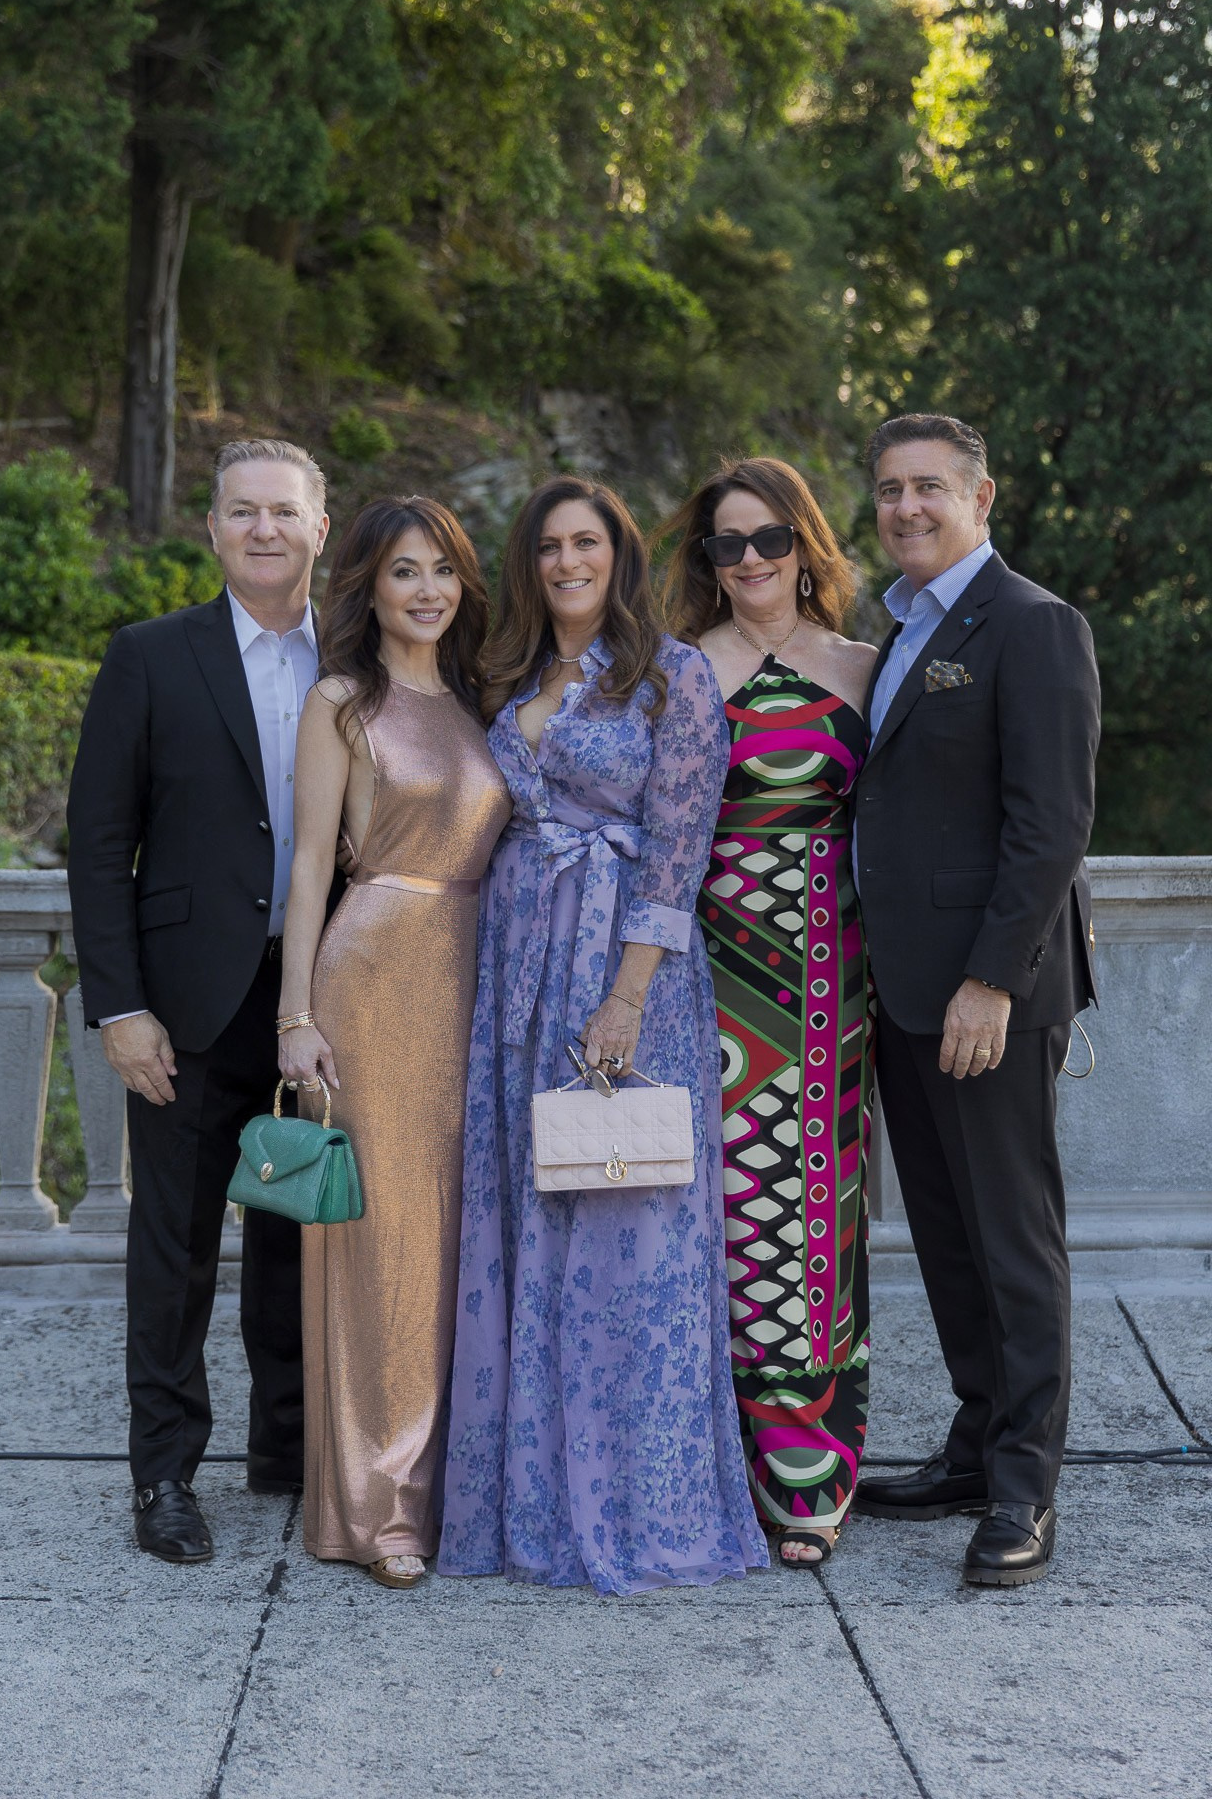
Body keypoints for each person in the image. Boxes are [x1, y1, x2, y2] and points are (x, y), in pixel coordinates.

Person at [438, 475, 769, 1595]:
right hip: (516, 967)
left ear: (619, 557)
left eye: (586, 543)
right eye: (545, 547)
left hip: (627, 974)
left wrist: (623, 999)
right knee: (524, 1221)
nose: (565, 562)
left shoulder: (673, 676)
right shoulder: (502, 671)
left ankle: (641, 1503)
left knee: (629, 1234)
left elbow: (677, 855)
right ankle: (523, 1504)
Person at [67, 438, 334, 1563]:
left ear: (322, 526)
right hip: (184, 1004)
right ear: (212, 530)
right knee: (172, 1246)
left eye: (283, 511)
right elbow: (97, 842)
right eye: (241, 512)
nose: (263, 528)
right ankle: (166, 1476)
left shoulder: (366, 659)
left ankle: (290, 1449)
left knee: (301, 1232)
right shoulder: (150, 656)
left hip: (324, 995)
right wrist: (119, 1006)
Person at [852, 413, 1099, 1589]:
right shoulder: (893, 628)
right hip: (897, 986)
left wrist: (990, 981)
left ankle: (1021, 1487)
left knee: (1010, 1239)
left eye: (928, 489)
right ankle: (969, 1439)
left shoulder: (1032, 625)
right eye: (889, 490)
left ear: (980, 495)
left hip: (983, 992)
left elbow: (1047, 827)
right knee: (944, 1236)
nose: (905, 508)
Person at [275, 497, 510, 1589]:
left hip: (474, 976)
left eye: (444, 572)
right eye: (404, 572)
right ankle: (379, 1508)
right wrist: (297, 1018)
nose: (426, 590)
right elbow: (311, 864)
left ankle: (455, 1485)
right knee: (383, 1248)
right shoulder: (341, 700)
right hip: (372, 976)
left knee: (462, 1239)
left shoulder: (476, 700)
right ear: (366, 586)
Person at [664, 457, 877, 1568]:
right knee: (721, 1222)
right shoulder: (680, 672)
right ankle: (716, 1467)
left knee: (816, 1226)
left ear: (804, 544)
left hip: (830, 987)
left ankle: (808, 1479)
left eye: (766, 540)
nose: (748, 562)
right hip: (707, 978)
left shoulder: (861, 668)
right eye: (724, 547)